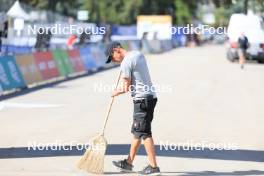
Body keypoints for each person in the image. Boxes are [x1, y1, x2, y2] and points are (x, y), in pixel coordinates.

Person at [105, 41, 160, 175]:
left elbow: (126, 86)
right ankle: (128, 163)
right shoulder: (137, 54)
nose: (113, 61)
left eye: (112, 57)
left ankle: (154, 168)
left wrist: (115, 92)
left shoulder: (126, 62)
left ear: (117, 50)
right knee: (138, 132)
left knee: (145, 133)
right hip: (150, 98)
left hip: (142, 100)